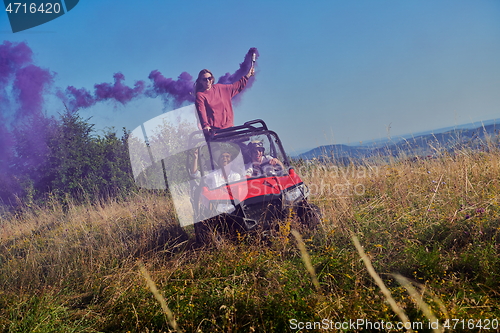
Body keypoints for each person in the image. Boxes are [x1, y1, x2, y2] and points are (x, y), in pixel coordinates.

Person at [194, 66, 255, 133]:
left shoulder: (220, 88)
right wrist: (205, 125)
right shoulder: (200, 95)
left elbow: (236, 86)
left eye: (209, 78)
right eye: (204, 79)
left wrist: (248, 75)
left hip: (229, 128)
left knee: (244, 142)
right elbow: (201, 111)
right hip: (215, 132)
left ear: (212, 78)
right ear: (200, 81)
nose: (207, 81)